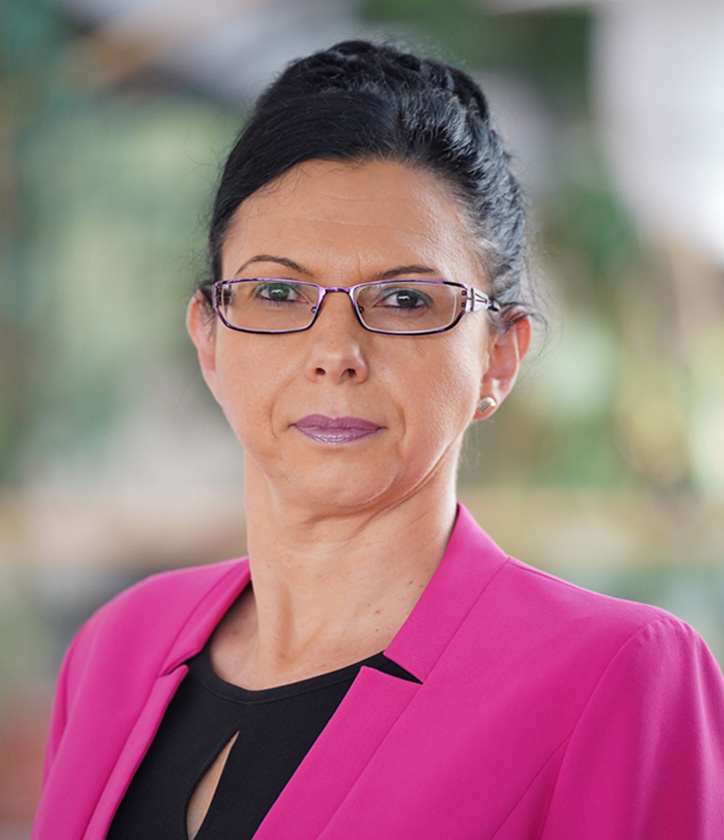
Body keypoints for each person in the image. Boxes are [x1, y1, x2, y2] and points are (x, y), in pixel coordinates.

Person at [34, 40, 724, 840]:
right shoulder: (116, 650)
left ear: (500, 356)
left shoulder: (618, 674)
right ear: (210, 338)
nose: (336, 353)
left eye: (404, 300)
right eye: (278, 291)